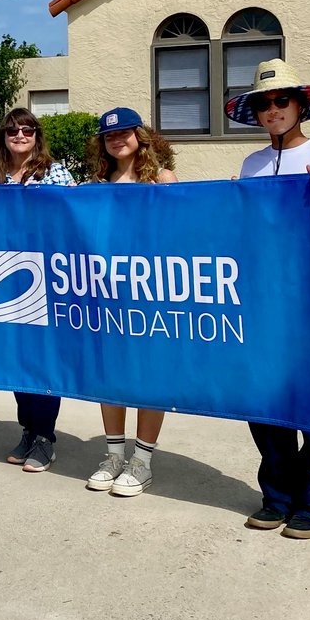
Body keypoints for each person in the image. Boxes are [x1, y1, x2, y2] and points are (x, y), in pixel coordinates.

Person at [227, 59, 310, 539]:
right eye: (263, 103)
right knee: (265, 404)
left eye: (281, 100)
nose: (272, 110)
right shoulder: (251, 165)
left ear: (301, 105)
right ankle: (277, 497)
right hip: (263, 306)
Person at [83, 108, 178, 496]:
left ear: (140, 136)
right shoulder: (96, 183)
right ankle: (113, 454)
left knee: (148, 376)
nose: (117, 140)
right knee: (111, 375)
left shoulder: (163, 179)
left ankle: (142, 460)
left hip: (149, 292)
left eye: (124, 133)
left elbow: (180, 231)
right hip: (106, 293)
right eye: (109, 136)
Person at [0, 108, 75, 472]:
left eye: (27, 129)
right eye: (12, 130)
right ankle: (28, 430)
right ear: (3, 136)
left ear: (37, 135)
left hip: (46, 275)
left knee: (43, 358)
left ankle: (46, 438)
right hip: (3, 273)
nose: (20, 135)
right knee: (16, 357)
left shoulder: (55, 171)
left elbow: (69, 215)